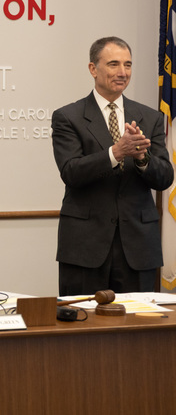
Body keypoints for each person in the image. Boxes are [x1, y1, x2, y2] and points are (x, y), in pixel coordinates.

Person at [52, 36, 174, 295]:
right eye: (114, 64)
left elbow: (164, 177)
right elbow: (71, 172)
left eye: (128, 65)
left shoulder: (150, 117)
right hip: (85, 246)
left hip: (138, 247)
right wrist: (116, 152)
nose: (122, 73)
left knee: (138, 330)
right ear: (93, 69)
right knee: (81, 329)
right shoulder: (68, 117)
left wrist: (142, 159)